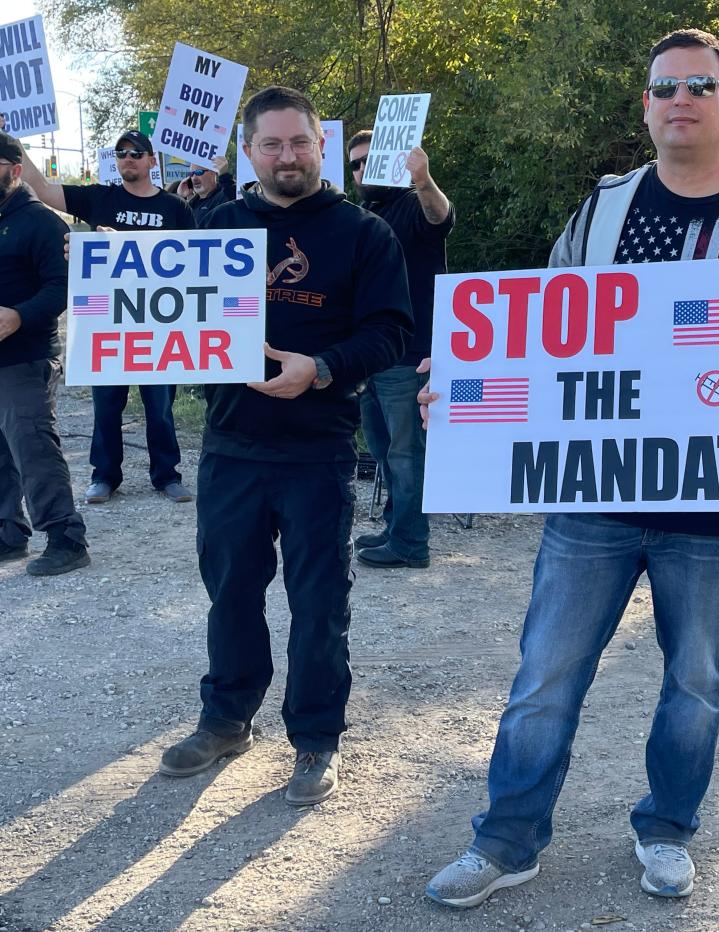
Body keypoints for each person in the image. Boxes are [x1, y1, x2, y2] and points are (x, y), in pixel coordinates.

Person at [424, 28, 719, 907]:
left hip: (712, 497)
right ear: (647, 106)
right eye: (666, 88)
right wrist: (467, 392)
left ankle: (667, 829)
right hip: (595, 493)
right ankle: (507, 840)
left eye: (700, 86)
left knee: (694, 682)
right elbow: (536, 333)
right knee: (545, 675)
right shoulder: (606, 209)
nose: (681, 100)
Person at [157, 86, 413, 806]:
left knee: (319, 601)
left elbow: (392, 330)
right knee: (231, 591)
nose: (286, 156)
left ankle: (316, 739)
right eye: (271, 145)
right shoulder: (217, 225)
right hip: (234, 446)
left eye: (298, 142)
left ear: (320, 144)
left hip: (318, 450)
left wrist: (322, 368)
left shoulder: (364, 233)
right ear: (250, 152)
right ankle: (227, 717)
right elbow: (172, 320)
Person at [20, 129, 195, 505]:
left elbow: (195, 263)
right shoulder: (99, 197)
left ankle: (167, 476)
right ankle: (104, 477)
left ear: (152, 161)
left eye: (137, 152)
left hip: (158, 325)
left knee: (160, 408)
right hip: (108, 324)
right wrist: (14, 140)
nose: (128, 158)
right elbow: (41, 187)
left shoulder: (176, 209)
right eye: (121, 153)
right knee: (106, 406)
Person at [347, 130, 453, 568]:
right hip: (370, 357)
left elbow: (441, 217)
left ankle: (412, 543)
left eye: (371, 159)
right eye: (355, 164)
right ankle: (396, 527)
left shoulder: (412, 204)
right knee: (384, 450)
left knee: (406, 455)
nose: (363, 169)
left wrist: (424, 180)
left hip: (410, 356)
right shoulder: (360, 216)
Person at [0, 132, 91, 577]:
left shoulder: (42, 223)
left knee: (32, 446)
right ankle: (8, 532)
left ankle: (65, 537)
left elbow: (63, 288)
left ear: (15, 171)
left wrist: (18, 315)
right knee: (2, 451)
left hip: (27, 356)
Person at [178, 154, 236, 225]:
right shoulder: (192, 204)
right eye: (191, 174)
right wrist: (181, 198)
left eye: (199, 172)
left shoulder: (224, 196)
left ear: (213, 172)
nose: (194, 178)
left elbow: (234, 196)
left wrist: (224, 175)